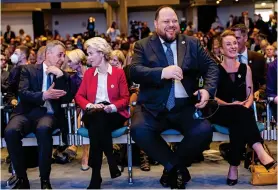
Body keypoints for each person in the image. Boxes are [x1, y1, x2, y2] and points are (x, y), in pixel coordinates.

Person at [129, 6, 219, 189]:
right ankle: (178, 169)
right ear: (156, 24)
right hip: (152, 108)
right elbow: (135, 72)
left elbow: (212, 66)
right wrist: (162, 72)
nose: (171, 25)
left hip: (185, 106)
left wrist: (208, 90)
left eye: (174, 21)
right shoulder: (143, 45)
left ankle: (170, 169)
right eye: (166, 21)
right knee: (138, 130)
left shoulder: (192, 43)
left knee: (204, 131)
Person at [209, 30, 276, 186]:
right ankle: (259, 150)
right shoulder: (215, 70)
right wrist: (231, 104)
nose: (233, 46)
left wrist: (245, 105)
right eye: (228, 44)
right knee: (240, 113)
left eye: (234, 43)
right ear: (221, 50)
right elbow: (213, 98)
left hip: (240, 113)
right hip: (221, 110)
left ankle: (233, 167)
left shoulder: (246, 69)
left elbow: (250, 94)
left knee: (239, 117)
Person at [4, 40, 72, 189]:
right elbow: (23, 92)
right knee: (10, 131)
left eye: (64, 56)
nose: (62, 59)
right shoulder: (29, 70)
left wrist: (60, 75)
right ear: (48, 54)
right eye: (60, 55)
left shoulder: (63, 75)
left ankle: (45, 180)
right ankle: (22, 179)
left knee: (43, 129)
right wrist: (44, 95)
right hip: (26, 113)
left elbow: (67, 99)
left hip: (49, 114)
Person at [75, 37, 130, 189]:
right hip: (93, 112)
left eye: (91, 53)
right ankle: (111, 160)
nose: (88, 57)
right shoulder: (88, 74)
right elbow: (79, 96)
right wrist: (90, 105)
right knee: (97, 118)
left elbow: (125, 98)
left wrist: (111, 107)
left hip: (113, 113)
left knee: (97, 125)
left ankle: (96, 176)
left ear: (101, 53)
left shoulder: (118, 73)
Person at [65, 49, 90, 171]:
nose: (68, 64)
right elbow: (72, 95)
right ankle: (85, 153)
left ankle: (76, 147)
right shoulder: (73, 78)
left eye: (70, 61)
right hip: (80, 107)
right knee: (80, 113)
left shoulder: (93, 73)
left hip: (96, 106)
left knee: (83, 114)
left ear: (78, 61)